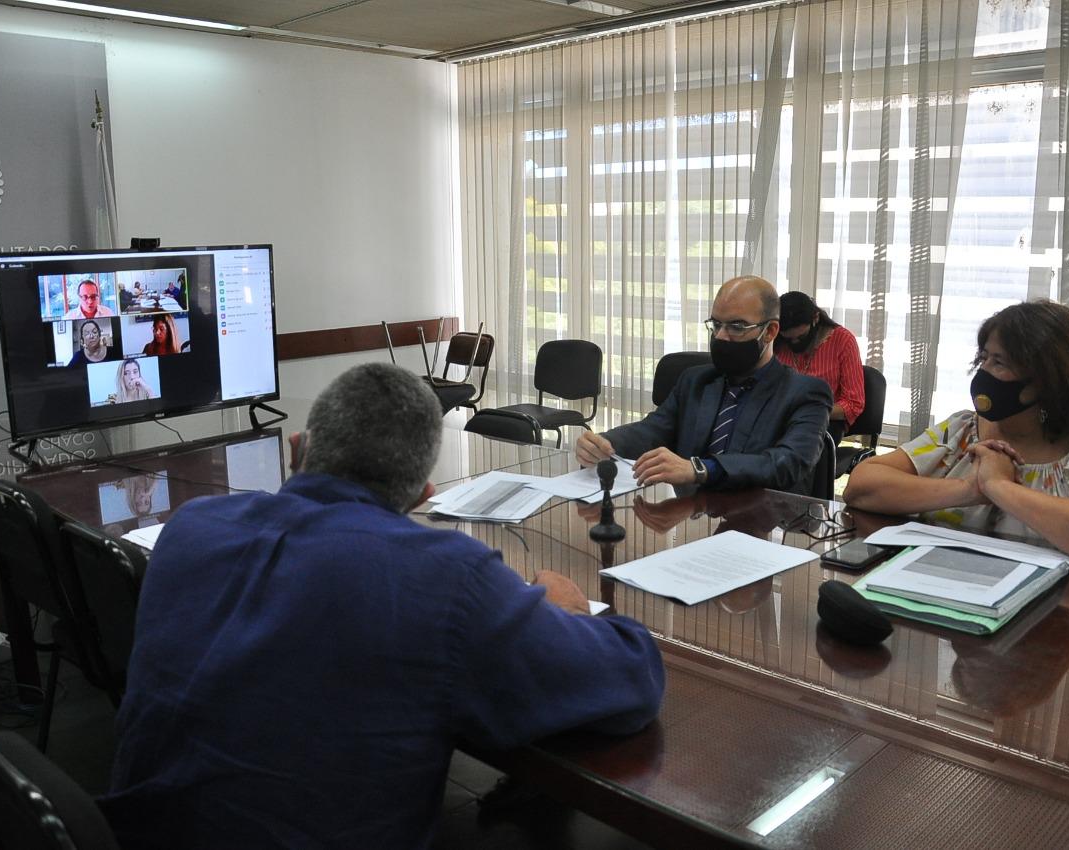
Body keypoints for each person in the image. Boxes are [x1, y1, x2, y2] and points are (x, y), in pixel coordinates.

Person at [100, 363, 664, 850]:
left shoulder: (191, 527)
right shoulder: (443, 577)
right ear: (423, 496)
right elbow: (633, 681)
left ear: (297, 449)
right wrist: (571, 614)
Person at [843, 300, 1069, 562]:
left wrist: (1001, 488)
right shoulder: (962, 430)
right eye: (983, 358)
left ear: (1047, 377)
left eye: (999, 362)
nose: (983, 372)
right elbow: (862, 487)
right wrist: (969, 490)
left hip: (1054, 612)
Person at [576, 275, 833, 493]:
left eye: (736, 326)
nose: (721, 336)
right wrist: (606, 442)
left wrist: (699, 469)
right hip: (690, 518)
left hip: (762, 525)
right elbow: (653, 429)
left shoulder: (805, 393)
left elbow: (787, 462)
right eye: (717, 324)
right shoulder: (696, 380)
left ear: (770, 331)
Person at [773, 291, 865, 444]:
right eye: (788, 339)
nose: (794, 343)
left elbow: (853, 403)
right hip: (782, 418)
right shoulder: (778, 342)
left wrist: (810, 411)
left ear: (815, 318)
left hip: (825, 420)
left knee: (797, 446)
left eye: (801, 337)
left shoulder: (843, 340)